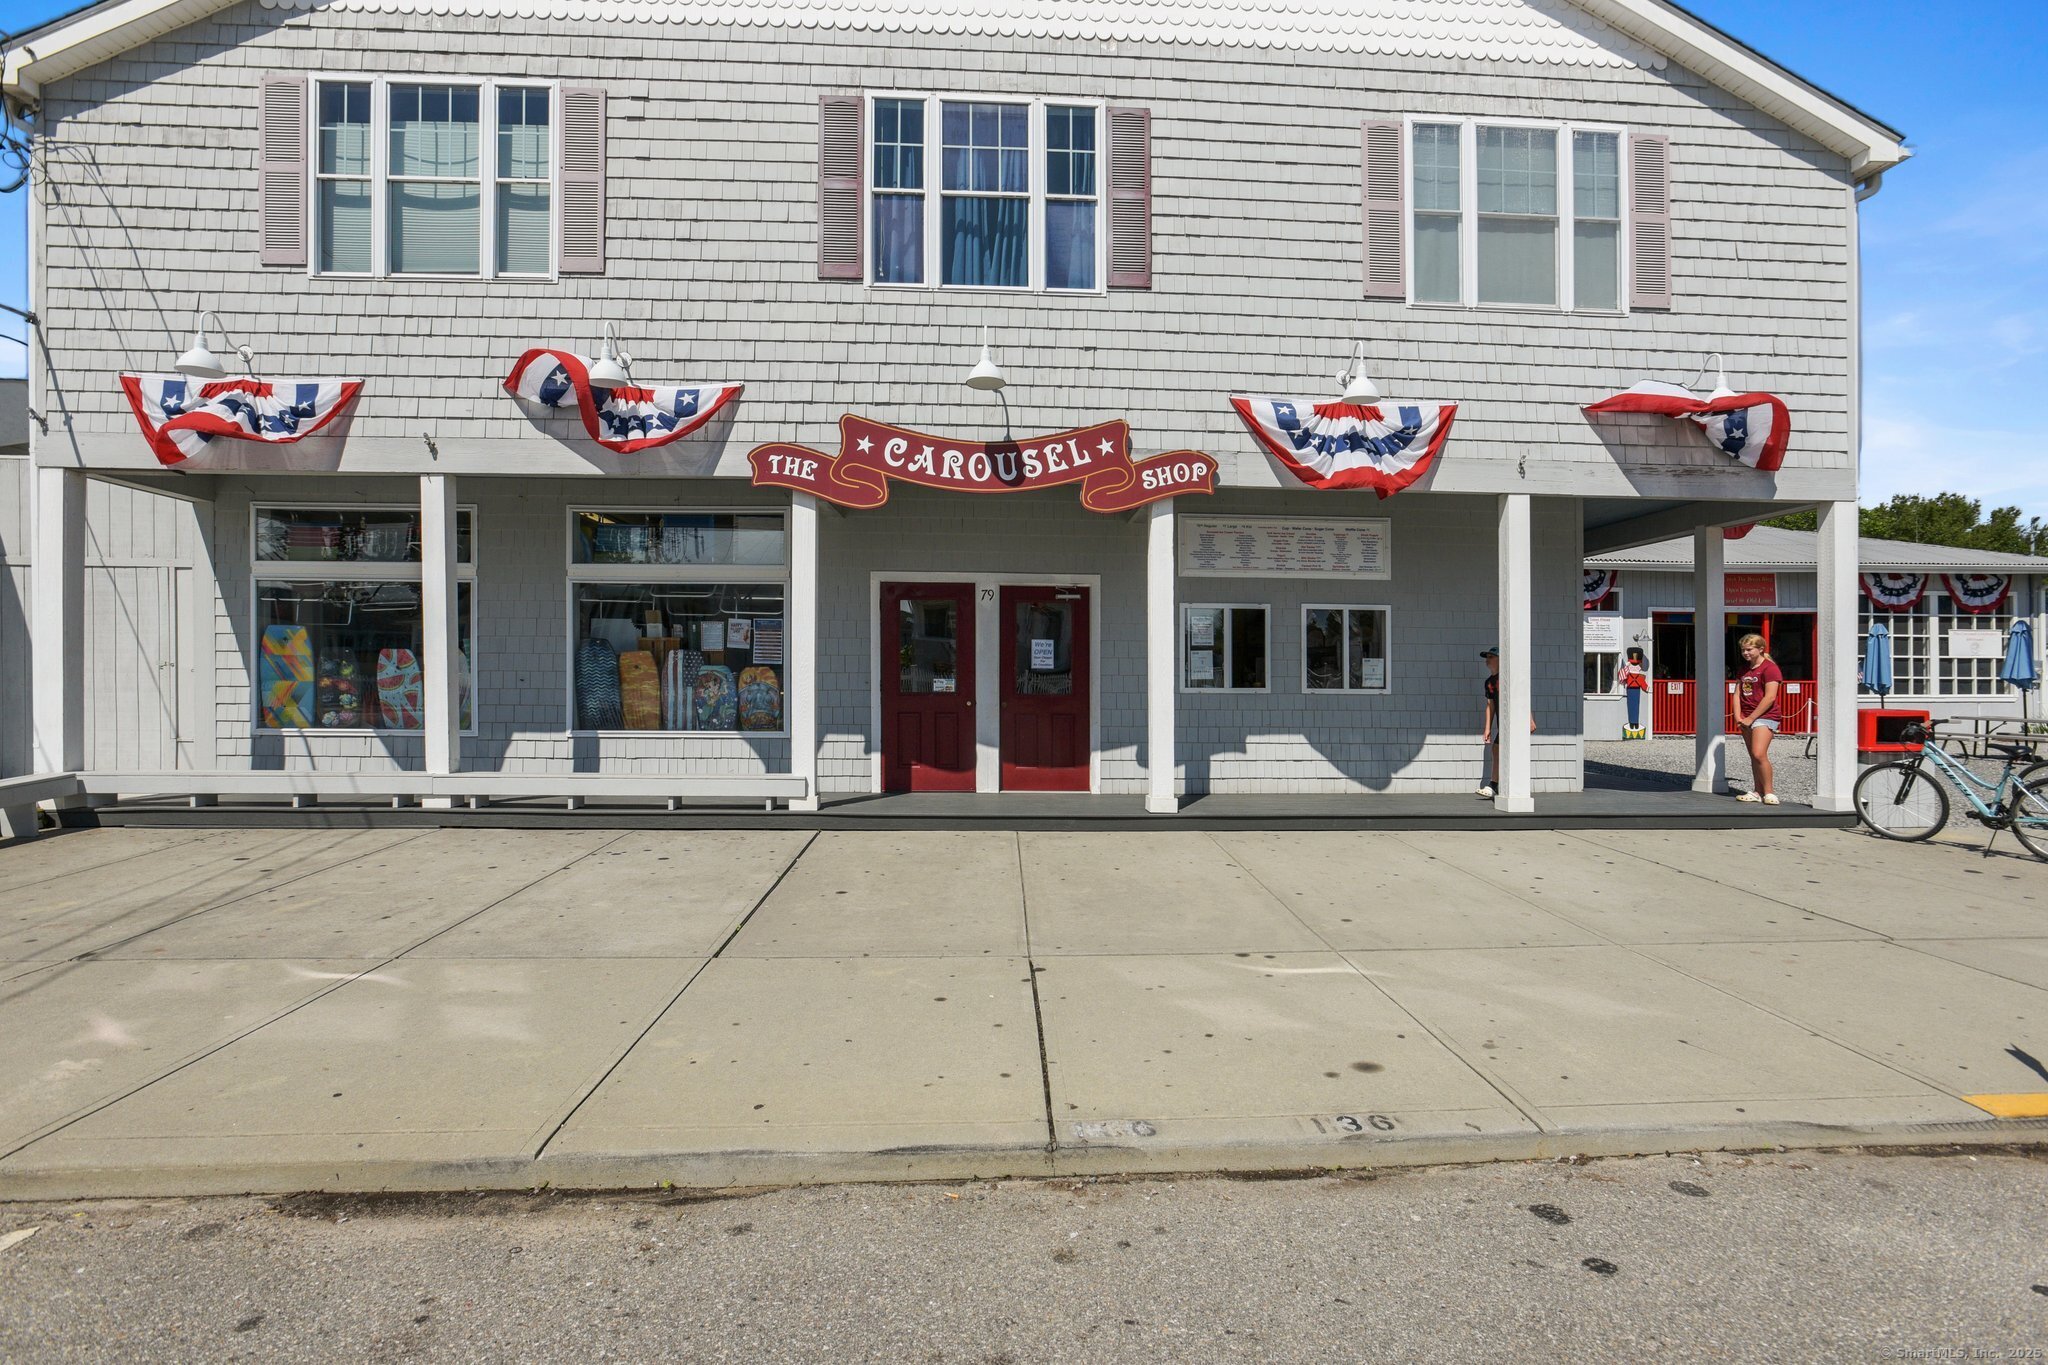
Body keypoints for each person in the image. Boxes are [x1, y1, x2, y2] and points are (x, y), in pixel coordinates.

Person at [1477, 647, 1535, 798]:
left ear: (1499, 659)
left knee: (1500, 750)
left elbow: (1521, 698)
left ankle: (1494, 785)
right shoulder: (1489, 682)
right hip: (1503, 725)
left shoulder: (1508, 678)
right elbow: (1491, 706)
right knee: (1497, 750)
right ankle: (1497, 785)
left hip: (1516, 721)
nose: (1487, 660)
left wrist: (1529, 719)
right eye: (1486, 657)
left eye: (1491, 657)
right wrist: (1487, 728)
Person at [1733, 632, 1782, 805]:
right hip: (1746, 716)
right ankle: (1757, 791)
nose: (1745, 653)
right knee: (1753, 756)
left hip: (1765, 716)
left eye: (1749, 649)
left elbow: (1770, 697)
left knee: (1759, 753)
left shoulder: (1770, 668)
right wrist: (1738, 715)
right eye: (1743, 650)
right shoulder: (1744, 669)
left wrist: (1752, 718)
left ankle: (1769, 792)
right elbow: (1737, 692)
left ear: (1761, 649)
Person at [1620, 647, 1649, 739]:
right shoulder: (1629, 674)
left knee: (1636, 706)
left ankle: (1635, 723)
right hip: (1630, 690)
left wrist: (1647, 688)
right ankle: (1632, 723)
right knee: (1631, 706)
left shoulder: (1640, 676)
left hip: (1636, 690)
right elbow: (1623, 677)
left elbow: (1643, 684)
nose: (1634, 665)